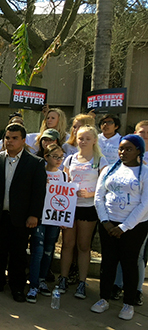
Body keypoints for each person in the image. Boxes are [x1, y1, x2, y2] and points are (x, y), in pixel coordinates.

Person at [0, 123, 47, 302]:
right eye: (7, 138)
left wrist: (34, 215)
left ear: (23, 140)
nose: (9, 141)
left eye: (14, 138)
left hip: (22, 218)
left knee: (18, 254)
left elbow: (38, 192)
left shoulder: (35, 163)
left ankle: (17, 287)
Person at [91, 135, 148, 321]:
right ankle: (104, 298)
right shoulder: (109, 170)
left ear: (139, 151)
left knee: (129, 263)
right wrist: (106, 221)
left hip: (135, 226)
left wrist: (124, 226)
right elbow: (99, 197)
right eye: (121, 149)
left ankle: (128, 303)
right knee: (108, 262)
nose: (123, 152)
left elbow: (145, 204)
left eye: (129, 149)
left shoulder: (145, 172)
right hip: (108, 223)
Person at [59, 125, 108, 298]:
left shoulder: (101, 161)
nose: (83, 141)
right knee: (67, 244)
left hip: (88, 208)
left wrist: (91, 193)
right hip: (70, 207)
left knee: (83, 246)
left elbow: (105, 188)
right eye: (80, 138)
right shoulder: (70, 159)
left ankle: (81, 282)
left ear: (95, 140)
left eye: (88, 138)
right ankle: (63, 278)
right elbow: (64, 182)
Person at [26, 144, 66, 303]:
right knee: (38, 249)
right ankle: (33, 284)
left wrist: (63, 218)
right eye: (55, 156)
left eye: (61, 157)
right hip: (40, 216)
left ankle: (42, 279)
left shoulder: (63, 175)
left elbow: (65, 198)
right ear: (46, 157)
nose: (58, 160)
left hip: (54, 218)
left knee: (49, 249)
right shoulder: (39, 171)